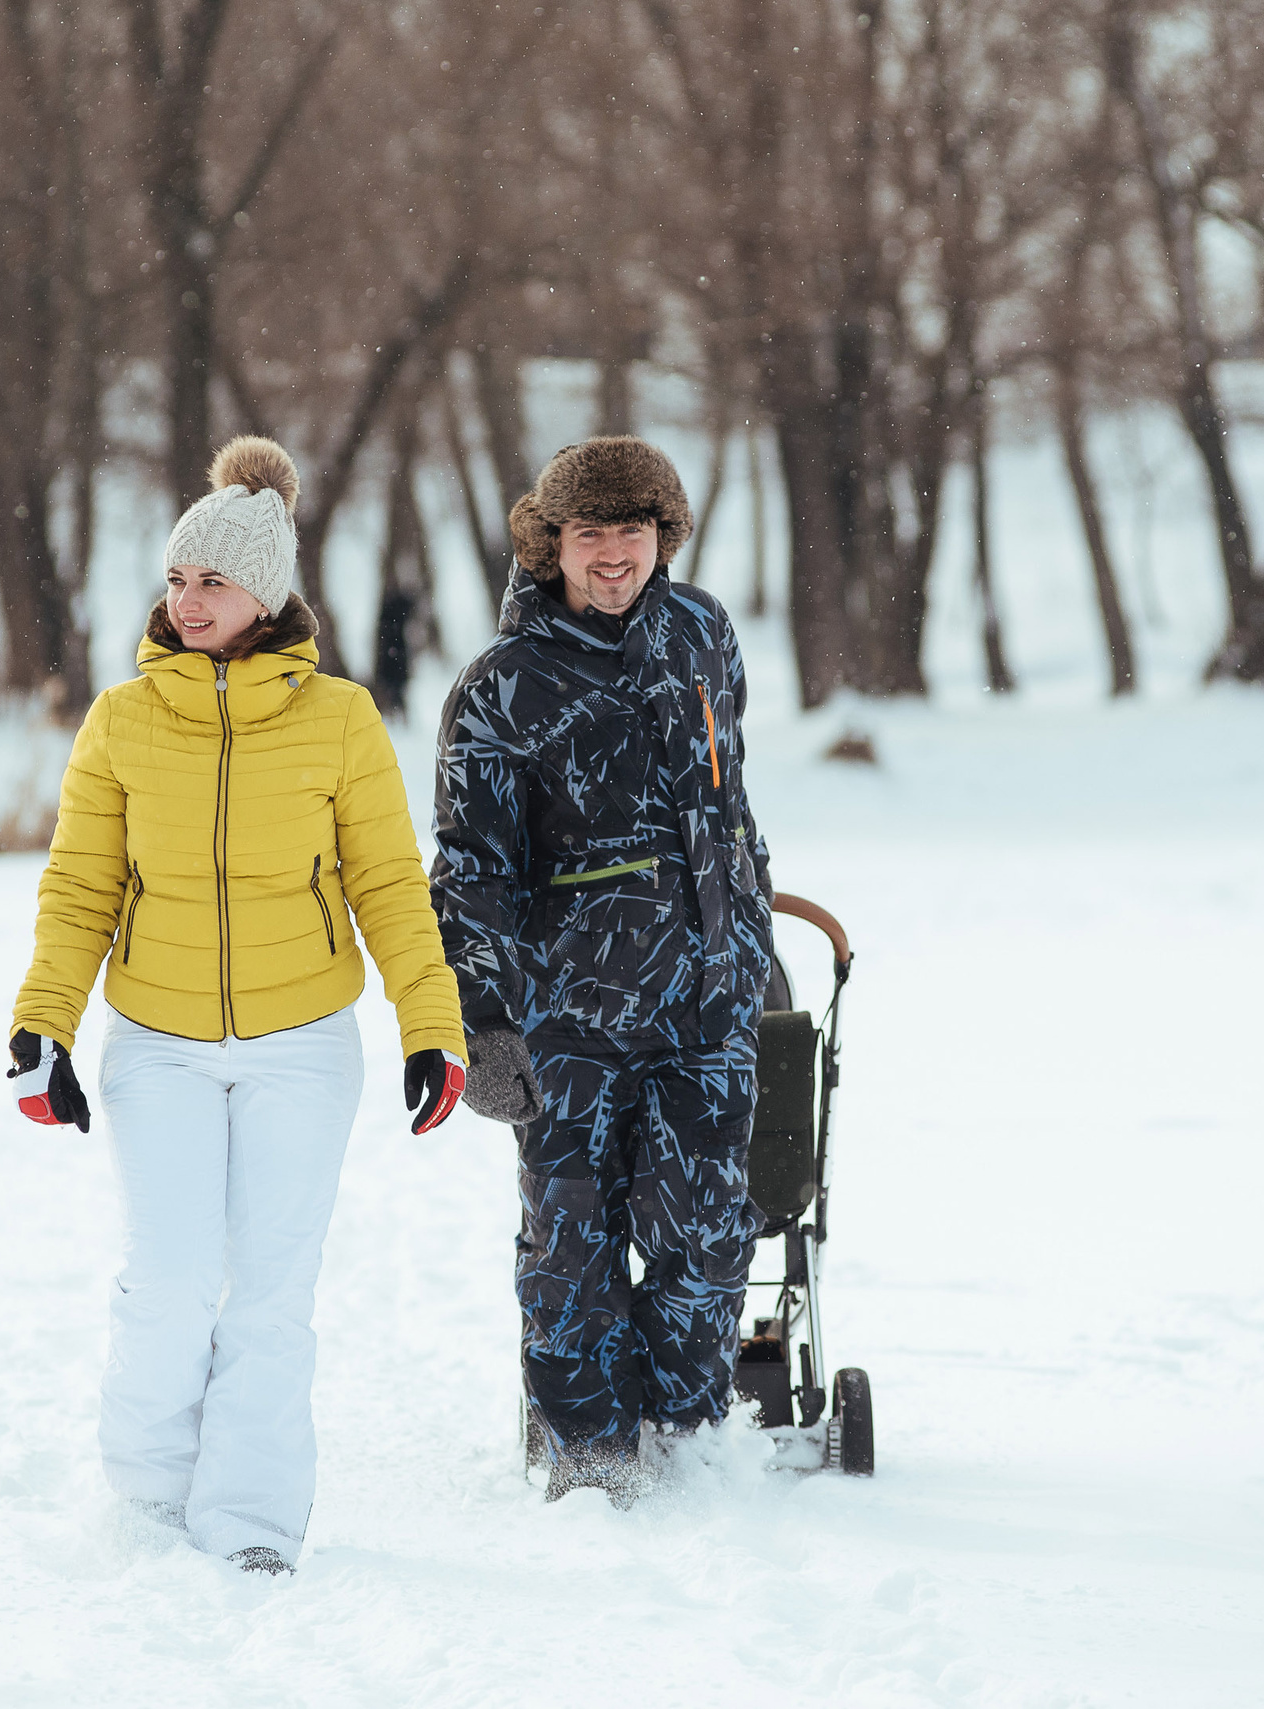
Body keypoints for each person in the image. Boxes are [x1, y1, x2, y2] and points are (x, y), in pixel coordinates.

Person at [7, 436, 469, 1577]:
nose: (187, 599)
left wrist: (430, 1023)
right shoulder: (121, 719)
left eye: (211, 580)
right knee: (166, 1278)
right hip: (155, 1044)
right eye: (176, 578)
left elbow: (389, 887)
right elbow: (79, 887)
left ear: (264, 592)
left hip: (302, 1047)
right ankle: (150, 1496)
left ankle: (254, 1516)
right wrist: (42, 1024)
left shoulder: (341, 719)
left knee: (270, 1292)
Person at [429, 436, 775, 1503]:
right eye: (590, 533)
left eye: (633, 530)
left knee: (709, 1229)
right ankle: (586, 1455)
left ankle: (682, 1435)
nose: (613, 554)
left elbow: (728, 800)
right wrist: (485, 1021)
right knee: (571, 1244)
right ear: (552, 544)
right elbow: (471, 871)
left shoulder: (702, 631)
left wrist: (748, 935)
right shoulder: (501, 689)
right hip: (568, 1018)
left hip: (708, 1001)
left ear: (662, 536)